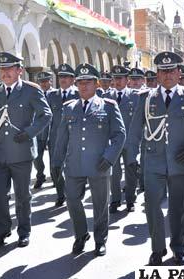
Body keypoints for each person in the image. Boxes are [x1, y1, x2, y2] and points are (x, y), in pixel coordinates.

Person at [125, 51, 184, 266]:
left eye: (172, 70)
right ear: (157, 74)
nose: (168, 75)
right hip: (153, 163)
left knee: (180, 209)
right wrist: (131, 158)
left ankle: (179, 248)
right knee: (152, 207)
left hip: (182, 162)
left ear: (179, 73)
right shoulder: (146, 98)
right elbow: (135, 131)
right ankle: (157, 250)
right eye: (163, 71)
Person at [52, 63, 126, 256]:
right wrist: (56, 163)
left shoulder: (108, 107)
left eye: (88, 82)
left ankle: (100, 240)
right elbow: (61, 138)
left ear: (96, 84)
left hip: (99, 164)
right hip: (74, 164)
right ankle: (81, 234)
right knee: (72, 200)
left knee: (101, 204)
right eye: (80, 82)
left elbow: (119, 135)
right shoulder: (69, 108)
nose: (83, 86)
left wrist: (109, 158)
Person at [0, 52, 52, 248]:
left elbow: (45, 115)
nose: (5, 73)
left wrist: (29, 133)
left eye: (9, 69)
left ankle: (24, 231)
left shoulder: (31, 90)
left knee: (22, 196)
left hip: (21, 153)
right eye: (2, 69)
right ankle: (2, 231)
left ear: (19, 70)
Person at [104, 65, 140, 213]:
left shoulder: (135, 96)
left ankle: (130, 200)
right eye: (115, 79)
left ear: (127, 80)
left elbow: (139, 121)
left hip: (130, 141)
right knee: (114, 172)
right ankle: (115, 199)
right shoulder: (106, 97)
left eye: (120, 79)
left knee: (131, 171)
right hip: (113, 142)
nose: (117, 82)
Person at [47, 63, 79, 207]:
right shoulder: (52, 95)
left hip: (74, 137)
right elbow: (45, 117)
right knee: (56, 167)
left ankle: (73, 193)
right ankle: (61, 194)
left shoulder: (78, 94)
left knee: (73, 167)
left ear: (73, 79)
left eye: (66, 77)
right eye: (61, 77)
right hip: (56, 138)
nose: (63, 79)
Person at [33, 71, 55, 189]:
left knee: (54, 156)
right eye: (41, 82)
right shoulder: (36, 94)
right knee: (36, 157)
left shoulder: (55, 94)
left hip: (52, 131)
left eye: (46, 81)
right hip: (39, 131)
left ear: (50, 81)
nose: (44, 84)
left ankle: (55, 176)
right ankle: (40, 175)